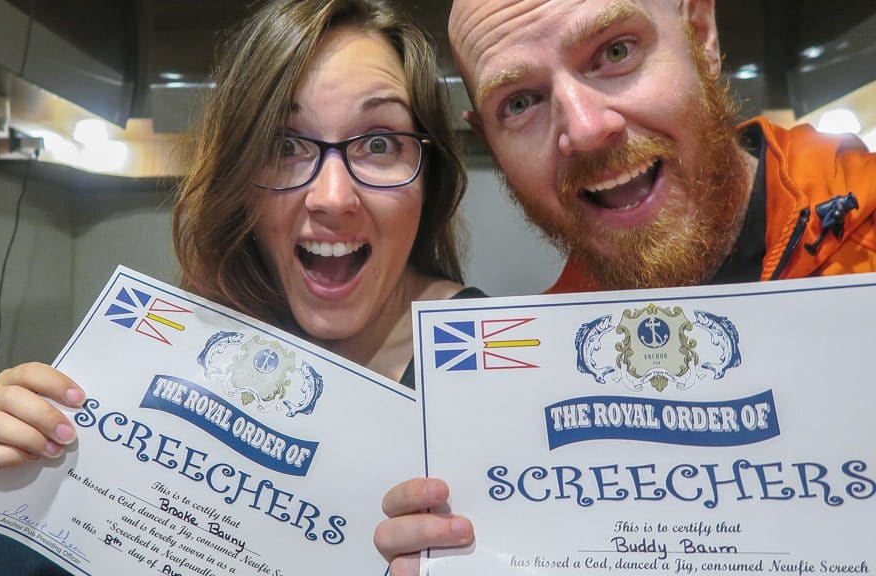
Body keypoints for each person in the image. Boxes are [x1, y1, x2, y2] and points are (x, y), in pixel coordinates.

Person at [0, 0, 480, 574]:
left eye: (380, 143)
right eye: (284, 146)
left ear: (429, 172)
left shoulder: (485, 373)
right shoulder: (193, 340)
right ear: (239, 179)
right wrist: (26, 480)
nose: (331, 197)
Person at [374, 0, 875, 573]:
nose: (586, 130)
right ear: (488, 138)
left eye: (615, 52)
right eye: (520, 103)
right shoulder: (522, 390)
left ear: (701, 34)